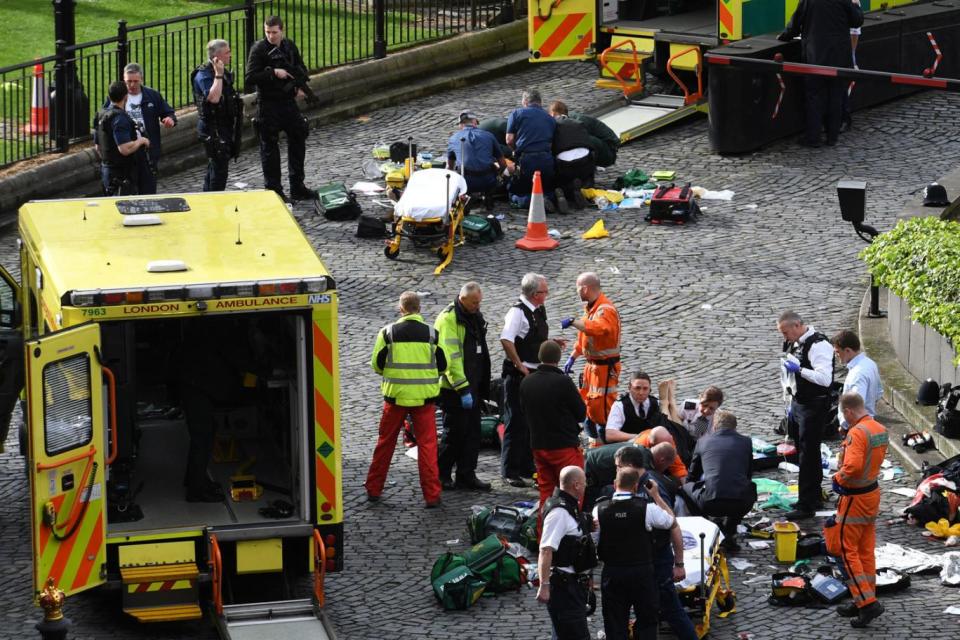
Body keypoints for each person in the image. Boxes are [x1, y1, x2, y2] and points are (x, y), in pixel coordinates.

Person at [365, 292, 447, 508]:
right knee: (428, 447)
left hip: (395, 398)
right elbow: (443, 365)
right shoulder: (432, 334)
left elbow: (376, 365)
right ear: (419, 309)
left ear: (400, 309)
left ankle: (373, 489)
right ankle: (432, 495)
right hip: (424, 400)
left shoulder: (388, 333)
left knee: (385, 444)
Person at [618, 443, 698, 640]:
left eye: (619, 466)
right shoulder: (640, 483)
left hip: (659, 558)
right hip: (647, 559)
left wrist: (679, 563)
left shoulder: (651, 486)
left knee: (671, 609)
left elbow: (673, 525)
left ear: (629, 465)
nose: (617, 471)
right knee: (650, 609)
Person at [592, 466, 681, 640]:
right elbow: (671, 521)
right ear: (636, 486)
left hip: (613, 572)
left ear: (614, 484)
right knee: (647, 621)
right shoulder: (647, 508)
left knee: (614, 622)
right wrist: (656, 496)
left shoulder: (599, 509)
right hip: (642, 572)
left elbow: (593, 540)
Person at [828, 392, 888, 628]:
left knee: (846, 550)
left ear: (849, 411)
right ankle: (864, 595)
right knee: (865, 550)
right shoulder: (879, 429)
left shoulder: (856, 433)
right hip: (872, 494)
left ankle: (866, 603)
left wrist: (837, 478)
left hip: (854, 498)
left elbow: (851, 467)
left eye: (845, 415)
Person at [500, 273, 565, 487]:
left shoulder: (538, 310)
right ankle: (510, 469)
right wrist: (519, 365)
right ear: (535, 294)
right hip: (520, 374)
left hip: (534, 372)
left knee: (531, 422)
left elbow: (532, 337)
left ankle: (527, 466)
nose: (547, 295)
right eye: (545, 291)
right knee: (515, 421)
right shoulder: (517, 312)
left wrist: (550, 342)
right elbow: (506, 339)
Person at [245, 15, 317, 202]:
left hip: (288, 102)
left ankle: (297, 186)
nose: (271, 36)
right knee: (269, 147)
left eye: (274, 32)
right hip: (268, 103)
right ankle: (274, 190)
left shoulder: (288, 46)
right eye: (267, 32)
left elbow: (300, 67)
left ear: (281, 31)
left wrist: (298, 87)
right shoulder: (259, 49)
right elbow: (250, 77)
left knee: (299, 137)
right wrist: (273, 72)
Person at [778, 0, 863, 147]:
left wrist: (785, 35)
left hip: (815, 55)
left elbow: (796, 22)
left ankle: (813, 137)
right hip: (839, 55)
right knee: (836, 96)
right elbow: (856, 21)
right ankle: (832, 137)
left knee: (814, 96)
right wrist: (855, 6)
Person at [434, 282, 491, 491]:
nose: (478, 305)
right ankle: (441, 473)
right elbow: (451, 359)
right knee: (454, 434)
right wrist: (463, 388)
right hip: (454, 389)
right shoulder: (448, 319)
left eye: (479, 302)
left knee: (473, 434)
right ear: (462, 298)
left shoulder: (472, 316)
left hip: (472, 385)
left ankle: (467, 474)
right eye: (475, 302)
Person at [778, 310, 834, 520]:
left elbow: (824, 379)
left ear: (797, 326)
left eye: (785, 332)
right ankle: (812, 495)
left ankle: (807, 503)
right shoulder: (797, 343)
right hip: (800, 402)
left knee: (808, 455)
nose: (785, 337)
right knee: (803, 451)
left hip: (814, 405)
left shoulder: (818, 345)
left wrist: (799, 370)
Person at [521, 340, 586, 510]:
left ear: (539, 357)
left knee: (546, 494)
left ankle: (544, 533)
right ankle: (572, 532)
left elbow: (523, 412)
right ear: (558, 359)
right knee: (573, 492)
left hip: (538, 446)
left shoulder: (527, 382)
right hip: (563, 446)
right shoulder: (563, 382)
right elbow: (581, 413)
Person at [680, 410, 757, 553]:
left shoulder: (703, 441)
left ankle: (709, 525)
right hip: (741, 502)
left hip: (710, 502)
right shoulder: (746, 442)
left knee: (685, 488)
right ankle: (729, 531)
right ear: (735, 428)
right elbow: (748, 474)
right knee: (746, 488)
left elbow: (693, 474)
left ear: (714, 426)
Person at [95, 63, 175, 194]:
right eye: (128, 82)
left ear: (141, 79)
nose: (131, 85)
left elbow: (168, 112)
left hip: (146, 153)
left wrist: (170, 119)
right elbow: (103, 123)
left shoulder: (152, 96)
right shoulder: (115, 99)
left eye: (135, 81)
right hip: (125, 156)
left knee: (147, 192)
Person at [537, 466, 597, 640]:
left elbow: (570, 532)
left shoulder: (568, 505)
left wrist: (586, 522)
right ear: (576, 485)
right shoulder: (559, 512)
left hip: (572, 584)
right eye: (584, 484)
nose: (586, 487)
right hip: (564, 587)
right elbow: (546, 549)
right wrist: (544, 585)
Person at [562, 272, 622, 444]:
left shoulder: (605, 310)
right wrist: (573, 356)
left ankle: (605, 446)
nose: (576, 291)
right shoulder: (591, 308)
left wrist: (573, 322)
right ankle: (594, 445)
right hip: (593, 368)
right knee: (589, 405)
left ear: (586, 288)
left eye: (578, 288)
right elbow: (585, 337)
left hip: (604, 370)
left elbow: (595, 329)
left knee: (602, 410)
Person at [192, 38, 239, 192]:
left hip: (224, 126)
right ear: (217, 57)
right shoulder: (204, 74)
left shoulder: (223, 71)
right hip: (212, 129)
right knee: (219, 171)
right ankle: (214, 200)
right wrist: (218, 75)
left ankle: (207, 197)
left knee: (216, 166)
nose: (230, 55)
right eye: (227, 52)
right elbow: (213, 98)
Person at [96, 81, 149, 196]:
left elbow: (98, 147)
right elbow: (124, 149)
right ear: (126, 96)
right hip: (121, 176)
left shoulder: (101, 114)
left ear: (109, 96)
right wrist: (141, 141)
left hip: (107, 172)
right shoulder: (120, 119)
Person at [446, 111, 508, 206]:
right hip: (488, 181)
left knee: (454, 171)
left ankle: (464, 196)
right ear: (475, 122)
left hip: (466, 181)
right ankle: (488, 194)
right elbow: (503, 163)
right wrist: (500, 176)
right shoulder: (489, 136)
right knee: (495, 167)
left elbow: (449, 167)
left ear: (461, 124)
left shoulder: (453, 138)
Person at [506, 88, 556, 203]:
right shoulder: (550, 118)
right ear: (540, 102)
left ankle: (535, 201)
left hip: (526, 160)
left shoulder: (516, 113)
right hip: (546, 160)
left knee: (515, 192)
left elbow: (509, 140)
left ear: (525, 102)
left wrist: (514, 151)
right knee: (546, 187)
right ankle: (552, 197)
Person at [547, 100, 595, 211]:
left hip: (565, 166)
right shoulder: (578, 123)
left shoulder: (552, 126)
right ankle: (583, 186)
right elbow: (590, 144)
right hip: (585, 163)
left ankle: (562, 191)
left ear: (552, 114)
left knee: (555, 166)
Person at [831, 329, 882, 429]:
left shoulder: (857, 374)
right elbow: (879, 392)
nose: (836, 356)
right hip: (867, 422)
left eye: (837, 352)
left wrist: (844, 426)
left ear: (848, 351)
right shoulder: (870, 363)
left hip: (857, 427)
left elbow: (854, 409)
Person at [605, 372, 663, 442]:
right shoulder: (620, 405)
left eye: (645, 389)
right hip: (629, 447)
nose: (641, 393)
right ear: (629, 388)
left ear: (649, 389)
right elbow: (610, 434)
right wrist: (638, 437)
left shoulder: (656, 403)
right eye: (637, 388)